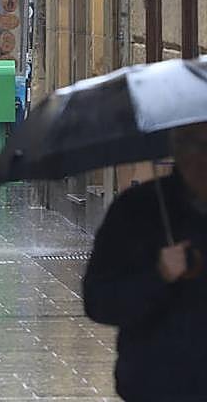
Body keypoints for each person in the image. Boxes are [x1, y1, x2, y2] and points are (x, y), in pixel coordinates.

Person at [82, 122, 207, 401]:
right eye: (193, 144)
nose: (202, 158)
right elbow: (98, 302)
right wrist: (157, 274)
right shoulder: (136, 211)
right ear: (176, 148)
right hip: (155, 385)